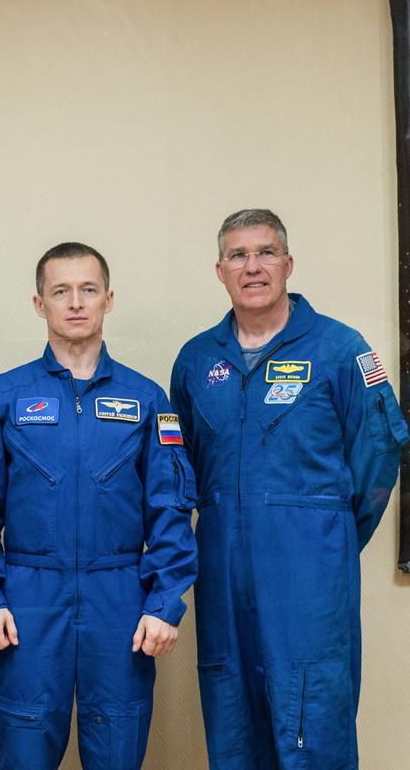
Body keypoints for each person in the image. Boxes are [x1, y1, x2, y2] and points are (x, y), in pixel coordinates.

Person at [170, 209, 409, 769]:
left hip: (310, 575)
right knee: (231, 715)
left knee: (312, 714)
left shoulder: (340, 350)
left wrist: (325, 534)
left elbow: (378, 456)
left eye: (265, 252)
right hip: (222, 570)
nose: (252, 267)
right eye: (238, 256)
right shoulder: (197, 359)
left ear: (288, 264)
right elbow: (178, 469)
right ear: (220, 270)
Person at [0, 242, 198, 770]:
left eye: (88, 290)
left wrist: (164, 604)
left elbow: (170, 508)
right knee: (25, 752)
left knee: (117, 753)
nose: (76, 302)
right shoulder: (3, 396)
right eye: (61, 291)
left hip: (119, 603)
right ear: (38, 303)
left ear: (108, 299)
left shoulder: (146, 399)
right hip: (27, 600)